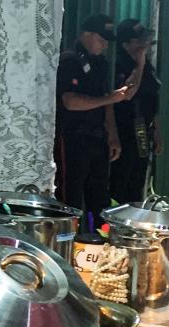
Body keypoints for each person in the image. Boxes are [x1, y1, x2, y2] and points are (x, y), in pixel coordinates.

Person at [56, 14, 138, 221]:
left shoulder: (100, 63)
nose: (104, 44)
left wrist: (112, 134)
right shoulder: (70, 60)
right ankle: (68, 242)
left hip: (97, 138)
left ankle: (98, 243)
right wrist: (109, 98)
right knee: (70, 199)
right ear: (86, 34)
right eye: (101, 39)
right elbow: (70, 102)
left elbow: (107, 100)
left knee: (99, 199)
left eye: (107, 41)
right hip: (73, 138)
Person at [109, 18, 161, 202]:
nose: (144, 44)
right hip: (124, 132)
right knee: (120, 185)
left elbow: (153, 99)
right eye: (139, 41)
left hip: (142, 133)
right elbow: (128, 93)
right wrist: (139, 63)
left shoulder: (148, 67)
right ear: (126, 44)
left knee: (137, 184)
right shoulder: (119, 65)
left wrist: (156, 132)